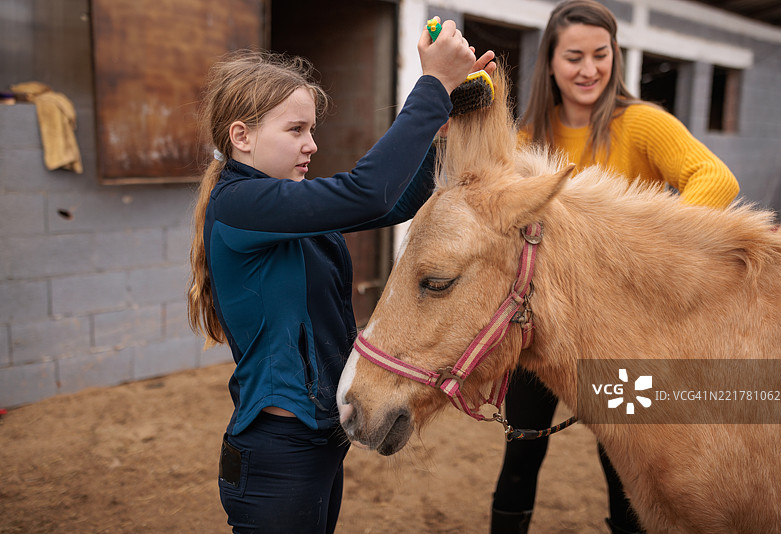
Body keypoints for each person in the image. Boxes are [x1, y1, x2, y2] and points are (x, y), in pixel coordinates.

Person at [186, 20, 496, 534]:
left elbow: (396, 199)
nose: (310, 144)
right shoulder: (240, 203)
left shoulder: (280, 207)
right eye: (295, 130)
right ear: (240, 136)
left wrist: (438, 123)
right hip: (277, 454)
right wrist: (433, 87)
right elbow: (366, 192)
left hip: (316, 444)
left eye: (311, 129)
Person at [490, 1, 740, 533]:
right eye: (574, 56)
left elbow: (715, 178)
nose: (588, 69)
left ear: (615, 57)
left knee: (624, 465)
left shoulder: (641, 123)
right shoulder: (527, 136)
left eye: (600, 55)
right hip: (542, 323)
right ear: (550, 63)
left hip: (619, 334)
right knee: (522, 454)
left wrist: (648, 245)